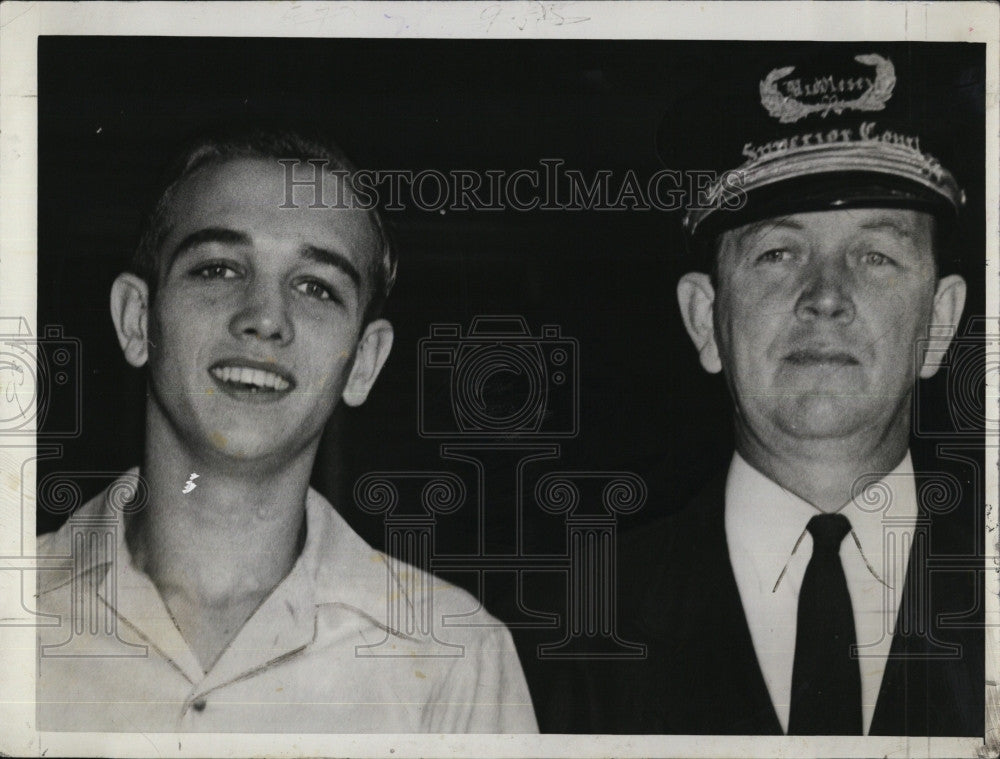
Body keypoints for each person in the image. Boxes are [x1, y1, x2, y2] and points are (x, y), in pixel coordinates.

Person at [541, 46, 984, 736]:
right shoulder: (560, 625)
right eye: (778, 253)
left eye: (876, 255)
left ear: (941, 323)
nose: (827, 296)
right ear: (704, 320)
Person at [36, 128, 538, 733]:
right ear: (138, 320)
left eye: (316, 287)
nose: (266, 318)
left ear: (365, 362)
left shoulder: (457, 659)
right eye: (219, 268)